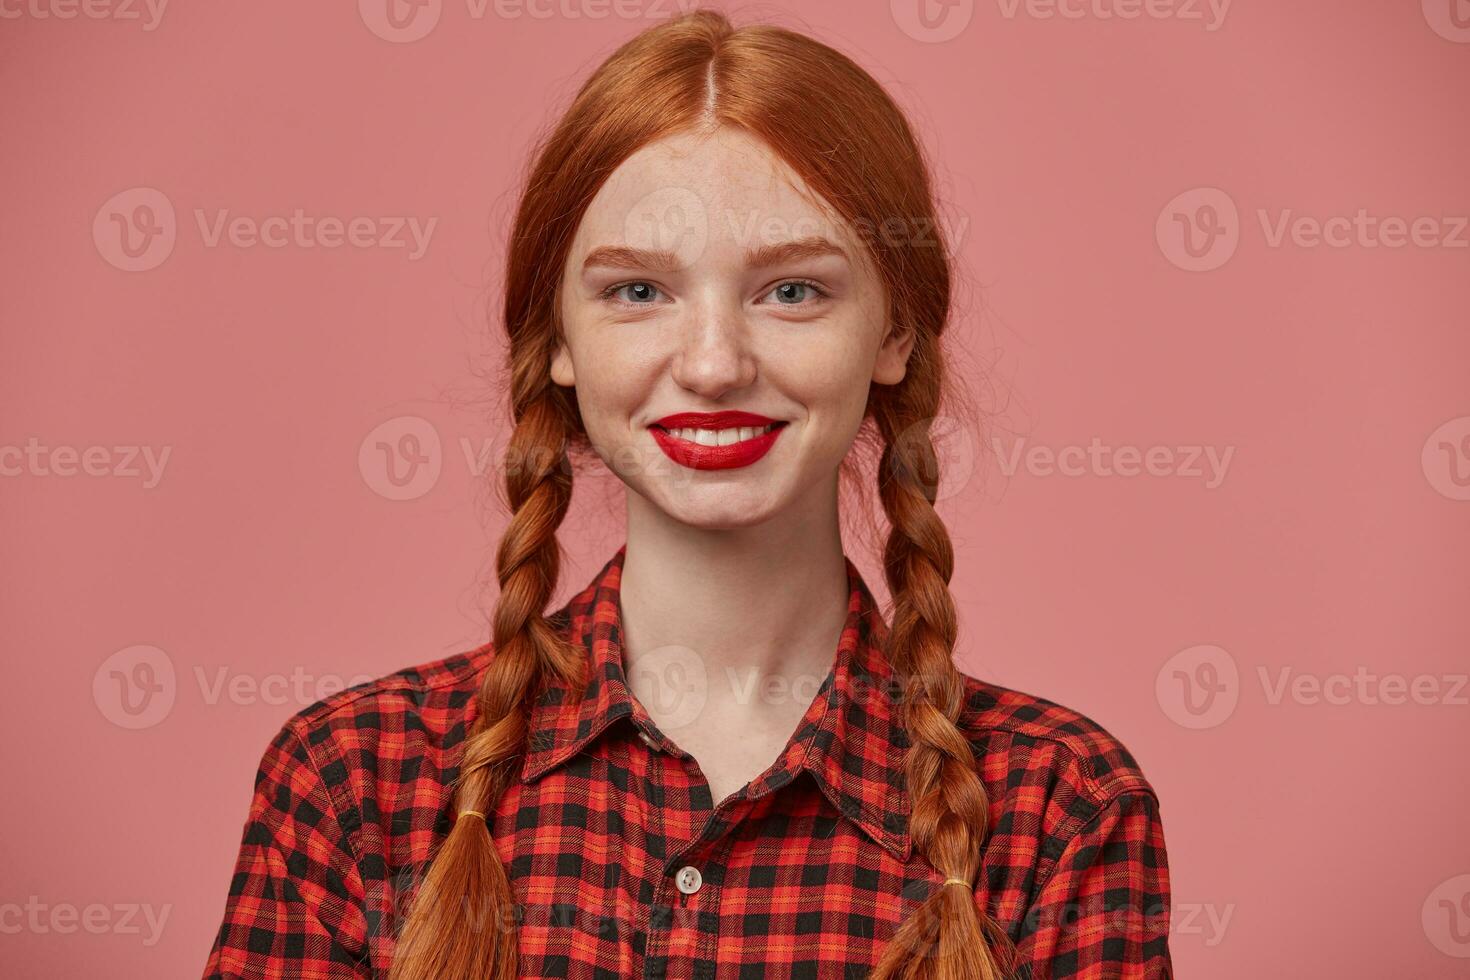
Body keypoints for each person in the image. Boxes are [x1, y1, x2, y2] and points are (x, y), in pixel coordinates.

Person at [202, 9, 1171, 978]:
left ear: (894, 335)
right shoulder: (352, 783)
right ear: (559, 345)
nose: (712, 364)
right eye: (637, 291)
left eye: (793, 290)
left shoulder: (1063, 810)